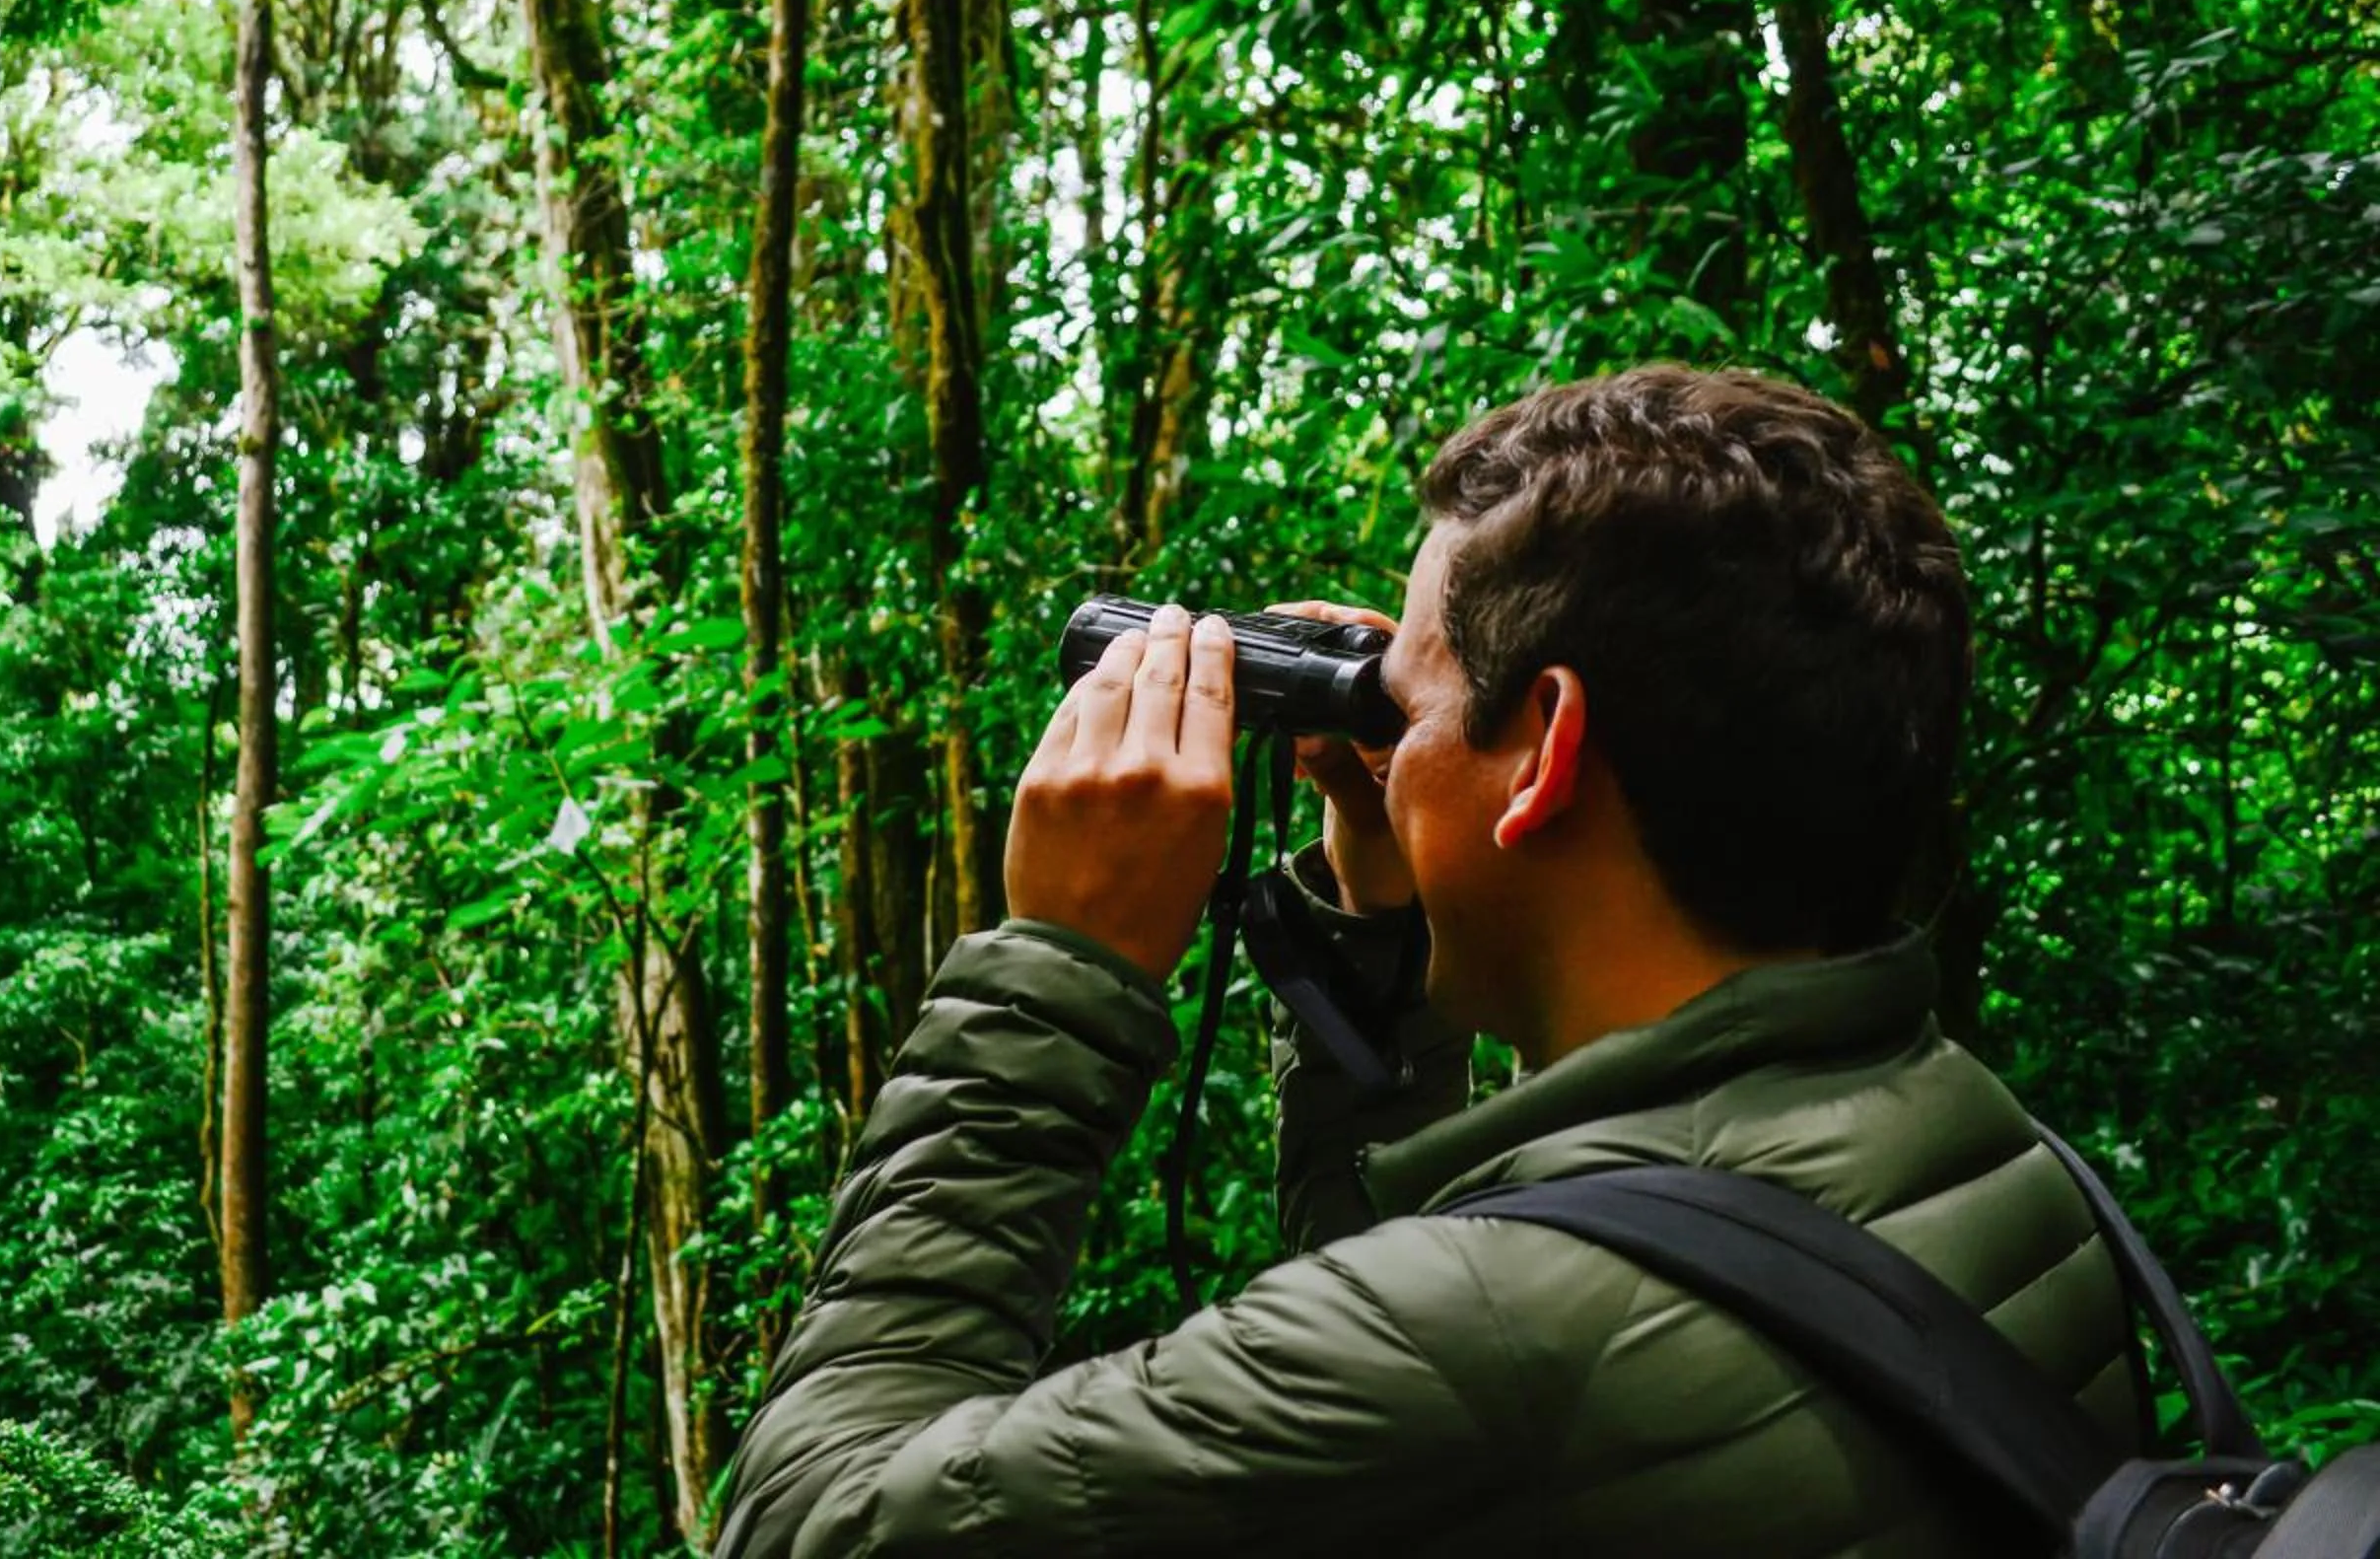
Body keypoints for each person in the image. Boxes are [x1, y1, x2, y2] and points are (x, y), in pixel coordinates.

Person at [714, 366, 2138, 1557]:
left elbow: (812, 1522)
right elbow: (1453, 1361)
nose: (1387, 751)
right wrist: (1380, 923)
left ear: (1546, 751)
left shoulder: (1497, 1329)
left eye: (1409, 703)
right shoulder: (1983, 1145)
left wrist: (1060, 964)